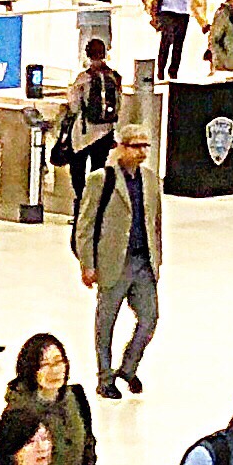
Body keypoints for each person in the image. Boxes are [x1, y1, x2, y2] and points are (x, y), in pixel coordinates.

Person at [70, 123, 164, 395]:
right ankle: (105, 378)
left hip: (143, 261)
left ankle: (128, 367)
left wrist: (157, 258)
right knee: (106, 324)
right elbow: (85, 225)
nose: (141, 152)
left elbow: (155, 222)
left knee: (149, 318)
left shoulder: (150, 180)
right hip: (113, 263)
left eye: (145, 146)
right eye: (136, 146)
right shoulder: (101, 180)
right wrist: (87, 264)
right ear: (121, 147)